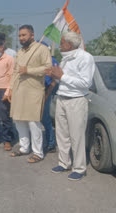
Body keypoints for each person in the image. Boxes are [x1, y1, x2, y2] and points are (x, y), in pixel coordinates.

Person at [47, 32, 95, 181]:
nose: (60, 45)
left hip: (76, 100)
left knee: (77, 136)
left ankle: (79, 168)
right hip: (62, 98)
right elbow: (64, 81)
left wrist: (61, 77)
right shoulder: (65, 59)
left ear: (69, 44)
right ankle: (64, 162)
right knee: (61, 134)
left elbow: (85, 83)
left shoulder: (85, 58)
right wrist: (55, 76)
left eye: (62, 42)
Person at [9, 25, 52, 163]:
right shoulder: (20, 52)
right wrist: (10, 89)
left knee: (33, 122)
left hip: (34, 91)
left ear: (32, 35)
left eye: (24, 35)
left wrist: (28, 70)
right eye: (20, 36)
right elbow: (16, 71)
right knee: (19, 120)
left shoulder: (42, 49)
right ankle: (24, 147)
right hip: (18, 90)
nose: (21, 38)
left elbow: (48, 68)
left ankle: (38, 152)